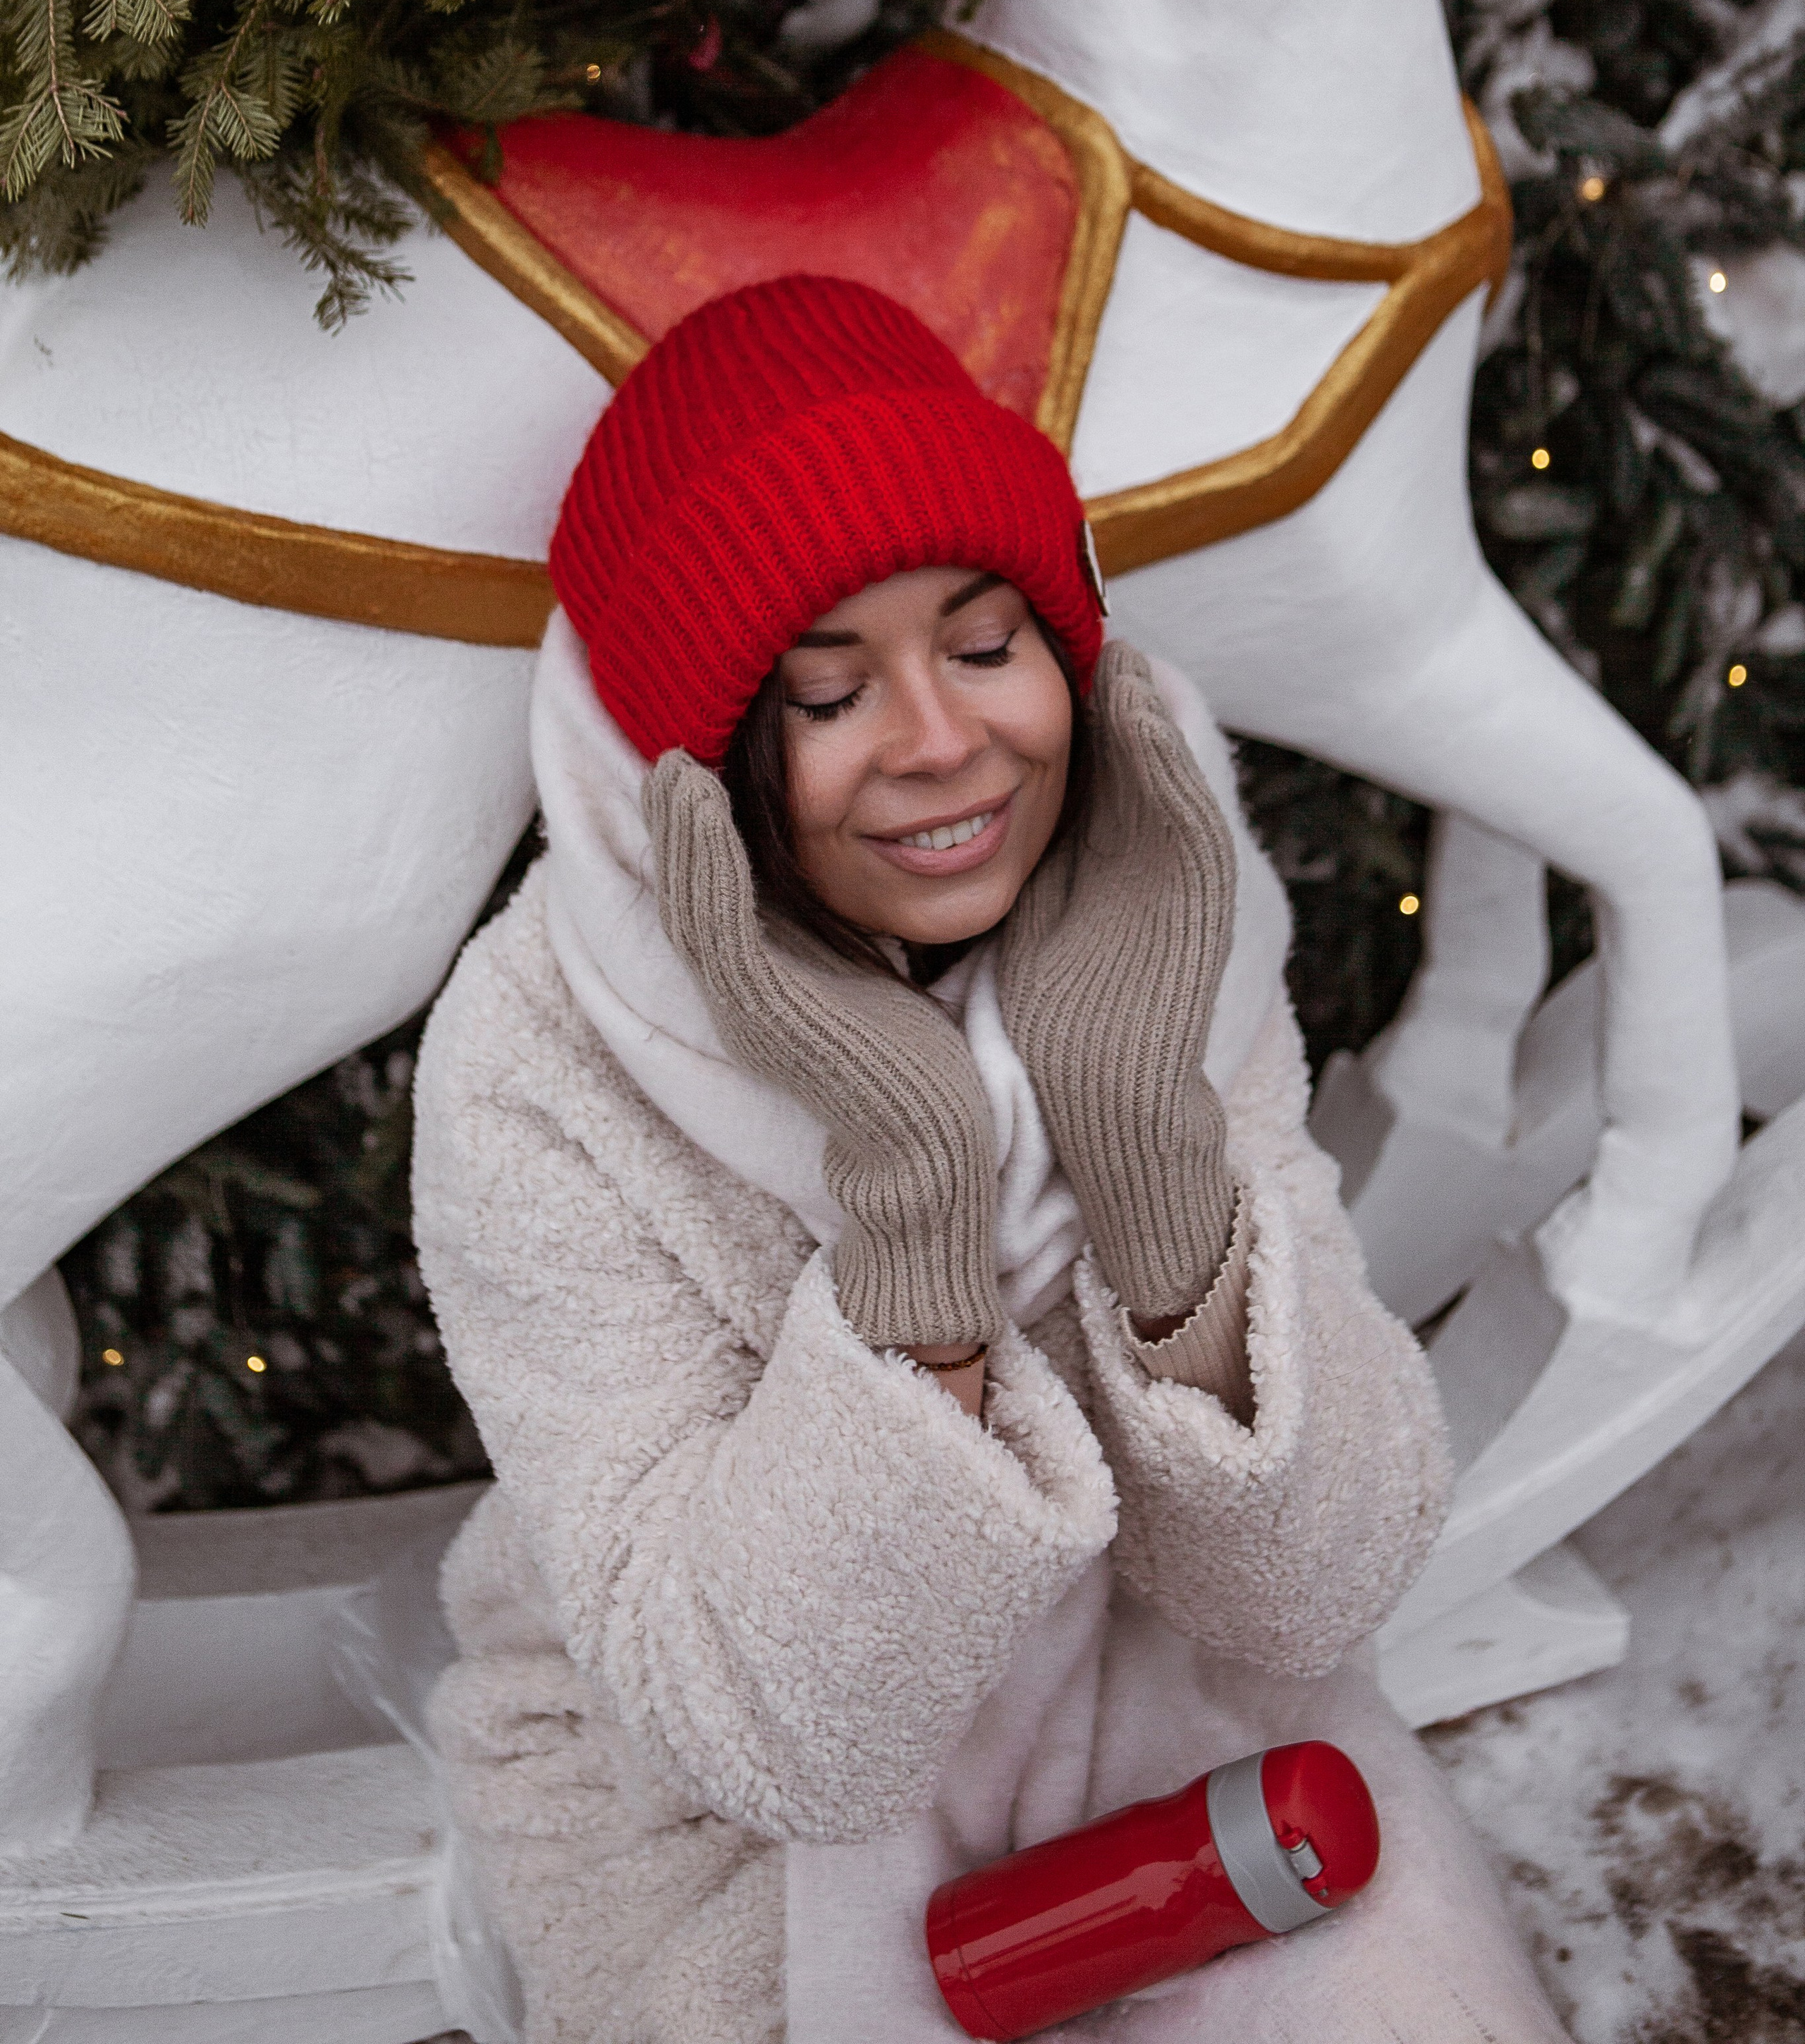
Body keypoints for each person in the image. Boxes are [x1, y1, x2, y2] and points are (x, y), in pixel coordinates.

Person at [412, 274, 1567, 2044]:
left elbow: (1318, 1586)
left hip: (1154, 1682)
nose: (945, 742)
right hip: (733, 1801)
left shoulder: (1157, 896)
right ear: (704, 767)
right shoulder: (536, 1064)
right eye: (827, 691)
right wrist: (911, 1231)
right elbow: (783, 1736)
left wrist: (1153, 1166)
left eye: (980, 642)